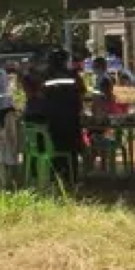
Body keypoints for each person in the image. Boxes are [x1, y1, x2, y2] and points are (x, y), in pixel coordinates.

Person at [40, 49, 86, 181]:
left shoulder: (47, 76)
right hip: (71, 118)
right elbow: (82, 92)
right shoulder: (73, 75)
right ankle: (72, 177)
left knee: (55, 147)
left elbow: (42, 94)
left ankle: (55, 176)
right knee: (72, 148)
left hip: (54, 119)